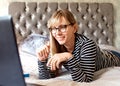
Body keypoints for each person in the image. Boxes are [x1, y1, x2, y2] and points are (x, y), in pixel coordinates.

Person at [36, 9, 120, 82]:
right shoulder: (55, 46)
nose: (57, 33)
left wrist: (68, 57)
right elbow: (46, 78)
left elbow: (85, 80)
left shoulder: (87, 45)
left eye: (63, 27)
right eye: (54, 28)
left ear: (74, 28)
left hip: (114, 57)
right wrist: (42, 61)